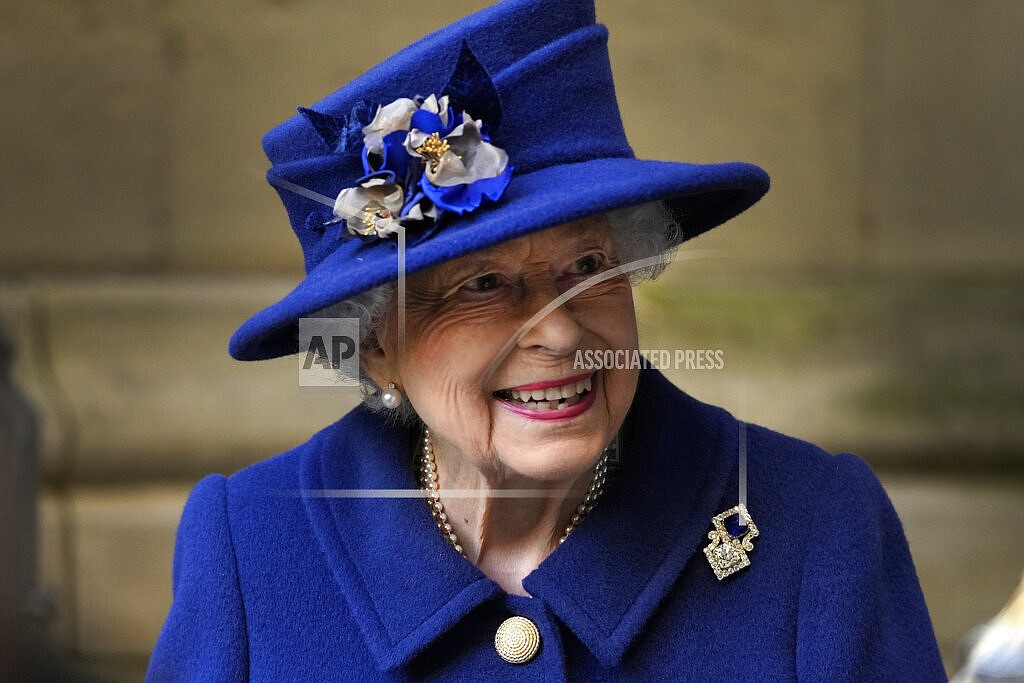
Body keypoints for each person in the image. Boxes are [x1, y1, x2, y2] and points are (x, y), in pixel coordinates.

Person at [147, 0, 946, 679]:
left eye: (590, 265)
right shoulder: (251, 543)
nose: (561, 330)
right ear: (373, 344)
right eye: (483, 286)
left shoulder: (816, 528)